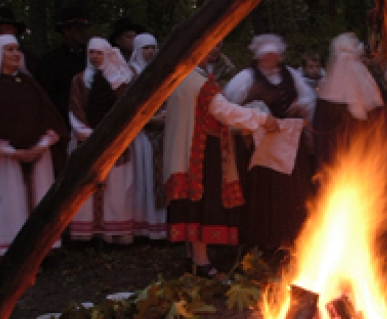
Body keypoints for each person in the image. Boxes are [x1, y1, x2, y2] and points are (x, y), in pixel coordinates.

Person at [164, 61, 281, 276]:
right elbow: (224, 111)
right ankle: (201, 261)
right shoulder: (201, 83)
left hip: (183, 149)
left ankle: (192, 256)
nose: (215, 48)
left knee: (191, 200)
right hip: (202, 151)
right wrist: (262, 118)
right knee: (202, 201)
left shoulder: (180, 76)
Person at [0, 35, 69, 258]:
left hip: (38, 156)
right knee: (6, 203)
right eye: (9, 50)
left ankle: (42, 249)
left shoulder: (31, 87)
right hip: (2, 162)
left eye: (17, 49)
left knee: (39, 199)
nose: (16, 54)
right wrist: (12, 152)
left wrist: (40, 146)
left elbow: (51, 121)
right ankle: (5, 251)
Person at [224, 34, 316, 259]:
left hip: (290, 143)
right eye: (266, 57)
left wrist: (301, 106)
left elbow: (308, 98)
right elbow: (229, 104)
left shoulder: (291, 75)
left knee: (291, 191)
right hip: (259, 144)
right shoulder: (246, 77)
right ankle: (262, 240)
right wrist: (250, 121)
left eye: (274, 56)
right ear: (258, 58)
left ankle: (293, 238)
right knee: (262, 190)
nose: (270, 60)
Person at [68, 38, 136, 243]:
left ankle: (116, 231)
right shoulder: (79, 80)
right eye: (91, 53)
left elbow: (127, 109)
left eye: (99, 53)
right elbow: (75, 107)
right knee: (86, 185)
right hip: (88, 140)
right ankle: (87, 232)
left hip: (116, 142)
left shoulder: (121, 80)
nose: (95, 56)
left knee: (116, 185)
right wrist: (88, 134)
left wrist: (114, 135)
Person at [311, 33, 383, 172]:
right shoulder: (328, 96)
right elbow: (322, 136)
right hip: (339, 162)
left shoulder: (369, 91)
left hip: (363, 159)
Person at [126, 33, 168, 240]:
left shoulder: (161, 72)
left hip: (161, 132)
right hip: (141, 134)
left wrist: (165, 116)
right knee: (143, 178)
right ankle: (142, 227)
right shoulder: (131, 73)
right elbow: (129, 106)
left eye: (153, 47)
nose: (150, 52)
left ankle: (159, 226)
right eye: (145, 48)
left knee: (158, 177)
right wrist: (149, 119)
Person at [35, 7, 89, 125]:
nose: (83, 33)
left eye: (84, 29)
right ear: (66, 31)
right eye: (78, 29)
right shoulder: (51, 60)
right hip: (64, 121)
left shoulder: (91, 57)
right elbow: (49, 96)